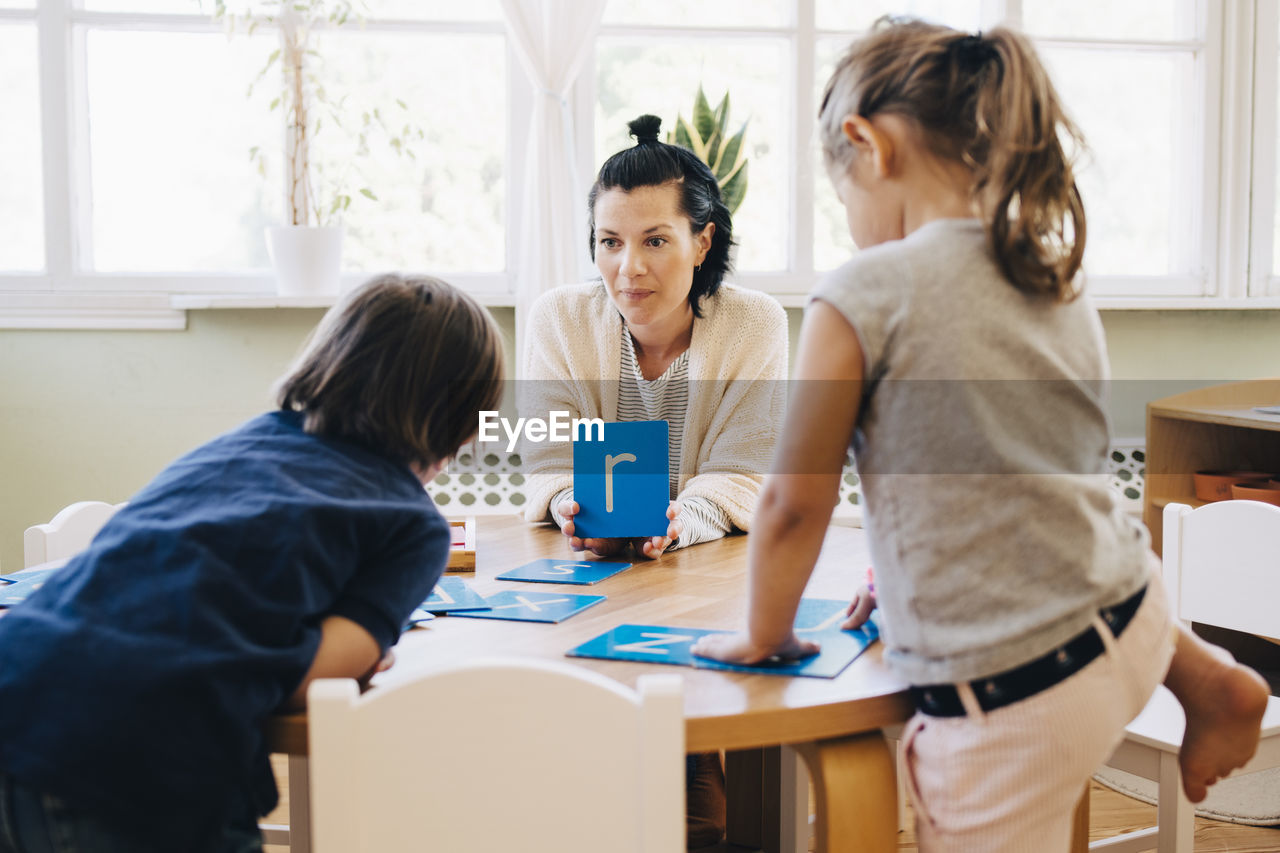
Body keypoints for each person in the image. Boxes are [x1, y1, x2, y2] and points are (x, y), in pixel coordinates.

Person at [691, 18, 1269, 850]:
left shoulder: (862, 292)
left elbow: (791, 501)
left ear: (867, 144)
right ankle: (1208, 677)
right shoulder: (1048, 270)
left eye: (840, 190)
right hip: (1137, 614)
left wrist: (764, 632)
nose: (849, 215)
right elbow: (1020, 478)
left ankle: (1206, 679)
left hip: (1022, 693)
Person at [0, 274, 504, 853]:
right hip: (131, 760)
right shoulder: (411, 523)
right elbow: (313, 678)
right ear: (461, 422)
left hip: (17, 680)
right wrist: (366, 648)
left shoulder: (238, 443)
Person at [518, 114, 789, 848]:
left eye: (655, 241)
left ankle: (693, 773)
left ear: (703, 241)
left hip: (706, 580)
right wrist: (571, 503)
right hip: (590, 579)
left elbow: (743, 473)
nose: (628, 268)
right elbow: (545, 466)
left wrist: (676, 522)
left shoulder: (754, 324)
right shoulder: (559, 320)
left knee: (697, 810)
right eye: (609, 242)